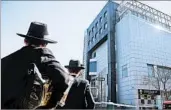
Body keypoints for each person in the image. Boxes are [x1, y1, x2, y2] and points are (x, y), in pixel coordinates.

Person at [1, 22, 72, 109]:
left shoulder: (4, 60)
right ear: (44, 44)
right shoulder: (42, 53)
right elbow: (64, 79)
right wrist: (49, 105)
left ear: (25, 41)